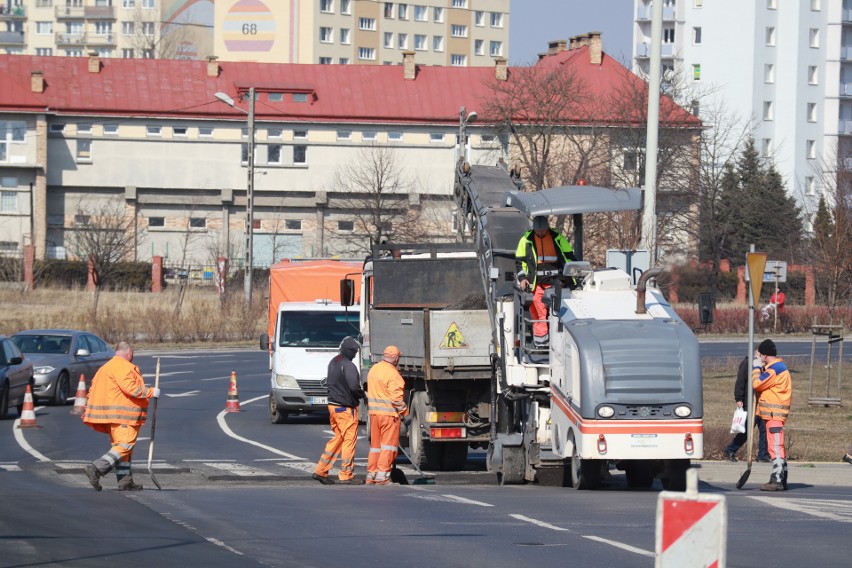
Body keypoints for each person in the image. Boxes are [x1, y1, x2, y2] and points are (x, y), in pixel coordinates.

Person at [81, 341, 160, 491]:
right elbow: (131, 388)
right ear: (129, 352)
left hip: (111, 416)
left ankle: (125, 481)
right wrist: (151, 392)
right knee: (125, 445)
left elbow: (93, 390)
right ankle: (96, 468)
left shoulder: (106, 367)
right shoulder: (123, 367)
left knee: (122, 449)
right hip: (123, 416)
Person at [515, 215, 575, 347]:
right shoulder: (526, 240)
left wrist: (572, 276)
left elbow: (569, 257)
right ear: (534, 229)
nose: (541, 233)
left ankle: (561, 341)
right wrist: (523, 278)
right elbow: (519, 263)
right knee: (538, 311)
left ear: (547, 228)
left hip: (556, 281)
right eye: (538, 231)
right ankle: (542, 343)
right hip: (536, 282)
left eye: (543, 231)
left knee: (560, 310)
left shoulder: (557, 238)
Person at [312, 336, 365, 485]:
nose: (355, 354)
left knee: (338, 439)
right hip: (345, 408)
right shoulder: (348, 365)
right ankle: (346, 474)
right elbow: (354, 387)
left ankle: (321, 470)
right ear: (349, 350)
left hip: (333, 406)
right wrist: (361, 395)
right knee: (349, 440)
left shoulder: (333, 362)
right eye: (354, 351)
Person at [752, 339, 792, 491]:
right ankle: (782, 477)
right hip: (773, 414)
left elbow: (757, 383)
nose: (759, 357)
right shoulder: (777, 367)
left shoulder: (774, 369)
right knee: (777, 445)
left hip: (774, 414)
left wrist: (756, 368)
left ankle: (777, 479)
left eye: (760, 355)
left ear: (765, 355)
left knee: (775, 446)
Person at [366, 345, 408, 485]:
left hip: (374, 415)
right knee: (388, 447)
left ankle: (372, 475)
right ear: (396, 359)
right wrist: (405, 412)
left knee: (375, 447)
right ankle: (383, 477)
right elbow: (396, 399)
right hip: (388, 416)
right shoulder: (393, 374)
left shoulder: (374, 369)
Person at [723, 357, 770, 463]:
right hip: (750, 402)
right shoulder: (747, 363)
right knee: (747, 429)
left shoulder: (767, 366)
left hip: (763, 403)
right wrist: (739, 398)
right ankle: (730, 449)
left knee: (764, 429)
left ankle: (763, 455)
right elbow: (740, 381)